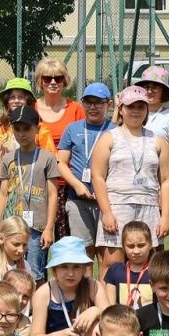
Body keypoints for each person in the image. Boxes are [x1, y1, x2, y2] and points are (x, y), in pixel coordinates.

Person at [91, 86, 169, 266]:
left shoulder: (158, 140)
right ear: (121, 109)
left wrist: (166, 216)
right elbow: (97, 177)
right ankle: (111, 296)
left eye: (140, 106)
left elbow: (166, 180)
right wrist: (106, 213)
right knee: (113, 266)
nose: (136, 111)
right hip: (117, 207)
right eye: (130, 106)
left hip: (149, 208)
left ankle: (146, 296)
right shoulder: (109, 138)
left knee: (150, 267)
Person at [30, 237, 105, 336]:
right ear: (54, 269)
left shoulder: (93, 285)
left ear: (84, 268)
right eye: (64, 267)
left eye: (76, 267)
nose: (71, 273)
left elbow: (115, 319)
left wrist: (96, 311)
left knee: (101, 327)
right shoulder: (44, 292)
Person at [0, 104, 60, 277]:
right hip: (12, 227)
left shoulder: (47, 158)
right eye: (17, 129)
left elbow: (53, 194)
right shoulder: (8, 158)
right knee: (9, 272)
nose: (22, 134)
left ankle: (37, 304)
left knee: (35, 273)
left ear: (37, 129)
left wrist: (49, 228)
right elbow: (3, 194)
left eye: (27, 129)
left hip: (37, 228)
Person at [55, 86, 112, 261]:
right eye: (88, 102)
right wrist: (77, 185)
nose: (93, 107)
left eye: (98, 103)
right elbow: (61, 163)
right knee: (84, 255)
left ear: (108, 105)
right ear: (82, 104)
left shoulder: (115, 130)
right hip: (78, 200)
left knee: (106, 255)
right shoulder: (72, 129)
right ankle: (86, 289)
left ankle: (104, 289)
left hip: (108, 202)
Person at [134, 66, 169, 161]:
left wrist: (167, 176)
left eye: (155, 87)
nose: (149, 91)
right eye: (146, 86)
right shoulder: (132, 113)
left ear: (164, 91)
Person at [103, 220, 156, 309]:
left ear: (150, 244)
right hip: (122, 321)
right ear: (123, 247)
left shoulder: (158, 271)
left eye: (141, 245)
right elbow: (109, 308)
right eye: (131, 246)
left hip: (151, 322)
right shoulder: (115, 271)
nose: (136, 251)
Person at [0, 77, 36, 158]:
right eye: (12, 97)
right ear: (6, 101)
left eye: (21, 97)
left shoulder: (38, 127)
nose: (16, 101)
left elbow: (48, 158)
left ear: (28, 101)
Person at [0, 218, 32, 290]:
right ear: (1, 239)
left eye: (24, 245)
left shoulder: (26, 266)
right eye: (16, 244)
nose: (21, 250)